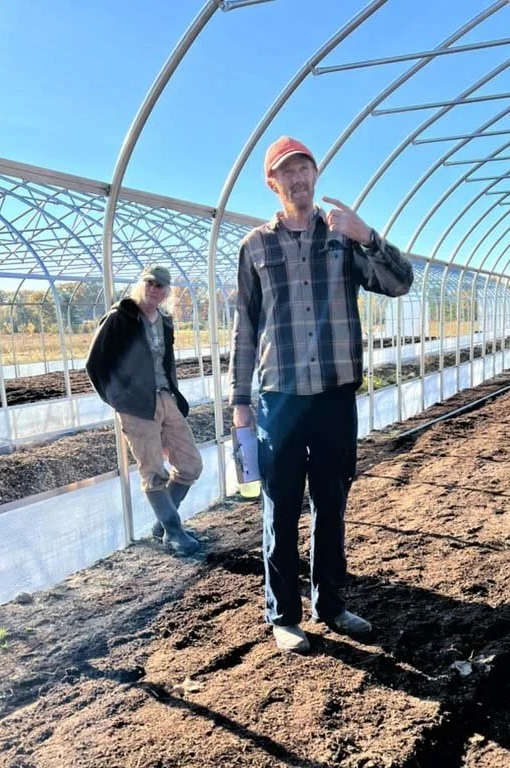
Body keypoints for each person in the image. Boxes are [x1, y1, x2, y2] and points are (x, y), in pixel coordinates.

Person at [230, 136, 414, 652]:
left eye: (304, 168)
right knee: (279, 505)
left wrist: (368, 235)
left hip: (333, 397)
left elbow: (400, 283)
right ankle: (283, 614)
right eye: (286, 172)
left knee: (331, 503)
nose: (298, 179)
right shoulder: (255, 247)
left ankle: (331, 603)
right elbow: (245, 328)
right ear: (273, 183)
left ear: (316, 174)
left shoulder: (342, 238)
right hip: (278, 399)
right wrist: (239, 402)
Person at [85, 265, 203, 556]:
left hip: (165, 398)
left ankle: (163, 523)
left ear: (166, 292)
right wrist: (119, 399)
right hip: (137, 405)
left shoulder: (164, 321)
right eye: (150, 282)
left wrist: (174, 395)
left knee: (190, 465)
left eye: (161, 286)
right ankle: (174, 532)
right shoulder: (120, 318)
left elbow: (166, 362)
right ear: (142, 284)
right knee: (152, 471)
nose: (155, 289)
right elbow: (95, 363)